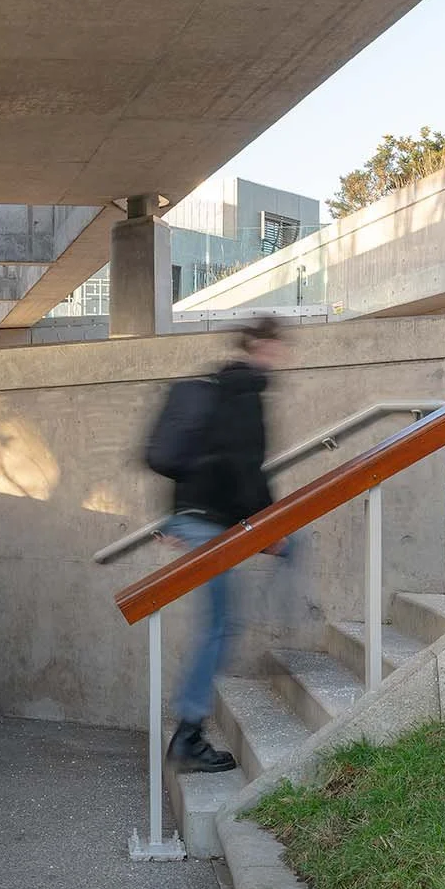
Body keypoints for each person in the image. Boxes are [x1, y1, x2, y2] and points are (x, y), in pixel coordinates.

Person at [160, 315, 294, 773]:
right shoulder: (245, 392)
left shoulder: (217, 386)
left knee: (220, 624)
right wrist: (267, 525)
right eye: (277, 348)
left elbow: (199, 460)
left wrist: (179, 516)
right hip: (213, 523)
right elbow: (245, 466)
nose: (281, 358)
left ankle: (189, 729)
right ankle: (189, 734)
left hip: (195, 517)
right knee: (220, 627)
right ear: (259, 345)